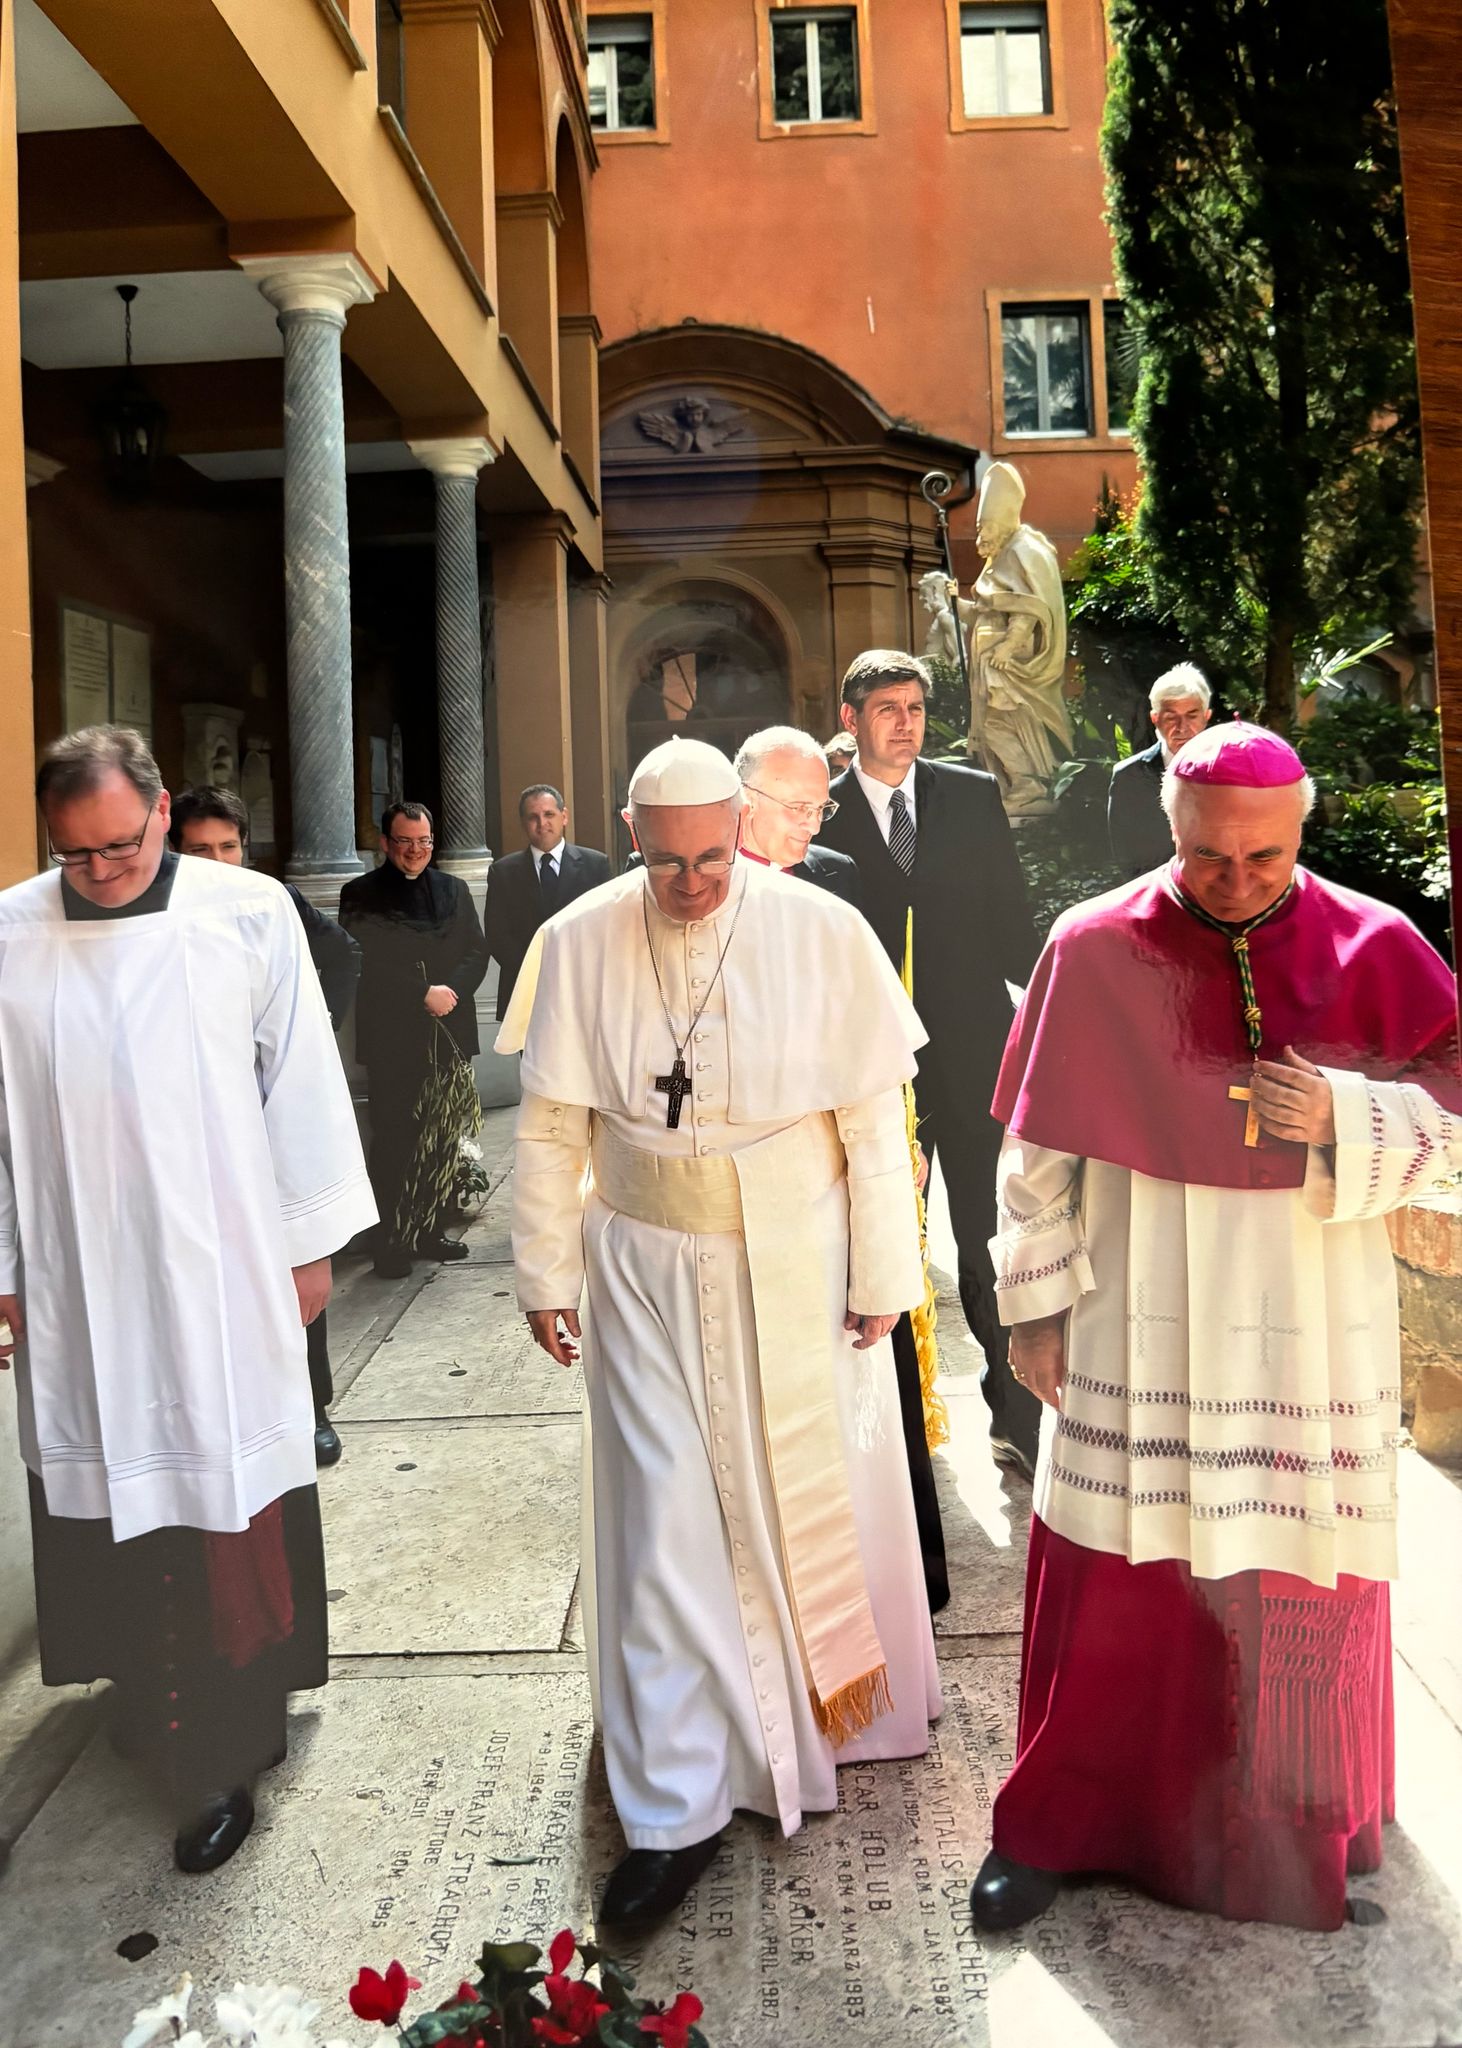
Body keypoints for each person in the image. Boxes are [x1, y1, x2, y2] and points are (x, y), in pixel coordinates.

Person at [970, 721, 1462, 1937]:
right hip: (1136, 1304)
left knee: (1294, 1562)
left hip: (1307, 1302)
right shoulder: (1091, 943)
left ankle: (1310, 1818)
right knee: (1117, 1557)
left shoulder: (1375, 940)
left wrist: (1348, 1109)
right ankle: (1064, 1821)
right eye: (1207, 859)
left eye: (1265, 857)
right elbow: (1036, 1149)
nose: (1235, 882)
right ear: (1169, 830)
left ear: (1302, 831)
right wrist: (1033, 1304)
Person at [499, 735, 942, 1937]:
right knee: (662, 1524)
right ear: (630, 833)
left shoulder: (818, 930)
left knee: (806, 1500)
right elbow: (549, 1125)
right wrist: (541, 1269)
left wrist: (887, 1277)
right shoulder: (580, 934)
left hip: (792, 1262)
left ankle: (826, 1715)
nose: (692, 883)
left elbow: (867, 1116)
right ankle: (674, 1801)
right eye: (666, 862)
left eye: (711, 858)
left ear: (739, 828)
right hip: (639, 1265)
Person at [0, 726, 375, 1873]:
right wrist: (7, 1272)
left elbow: (298, 1077)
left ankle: (224, 1734)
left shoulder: (244, 912)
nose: (102, 871)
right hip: (77, 1273)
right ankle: (142, 1695)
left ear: (161, 811)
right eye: (77, 855)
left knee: (219, 1484)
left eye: (120, 845)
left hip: (217, 1267)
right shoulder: (12, 929)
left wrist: (309, 1245)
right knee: (107, 1479)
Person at [735, 724, 949, 1611]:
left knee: (876, 1352)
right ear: (738, 802)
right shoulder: (702, 889)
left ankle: (904, 1571)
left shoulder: (836, 878)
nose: (811, 824)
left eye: (819, 805)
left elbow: (869, 1020)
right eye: (794, 808)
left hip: (848, 1138)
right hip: (755, 1165)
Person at [820, 651, 1044, 1478]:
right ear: (852, 720)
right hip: (874, 1076)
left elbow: (1014, 923)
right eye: (887, 708)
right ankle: (897, 1434)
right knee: (878, 1246)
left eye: (914, 707)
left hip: (977, 1057)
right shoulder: (824, 815)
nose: (905, 722)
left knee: (991, 1241)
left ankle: (1014, 1414)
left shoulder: (972, 796)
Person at [170, 785, 360, 1468]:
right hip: (192, 1132)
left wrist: (308, 1031)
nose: (218, 861)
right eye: (201, 850)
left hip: (266, 1116)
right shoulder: (161, 915)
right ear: (175, 852)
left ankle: (313, 1410)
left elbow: (341, 956)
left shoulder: (271, 903)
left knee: (293, 1257)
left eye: (228, 847)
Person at [339, 802, 489, 1279]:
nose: (415, 852)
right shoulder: (359, 893)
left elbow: (476, 950)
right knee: (396, 1141)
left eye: (423, 842)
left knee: (441, 1139)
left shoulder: (454, 889)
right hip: (393, 1037)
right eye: (405, 842)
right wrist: (421, 992)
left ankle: (428, 1230)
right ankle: (391, 1240)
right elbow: (367, 959)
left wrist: (452, 993)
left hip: (447, 1034)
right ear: (386, 843)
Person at [484, 785, 611, 1020]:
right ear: (523, 822)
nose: (542, 823)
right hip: (527, 991)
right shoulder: (503, 872)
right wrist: (536, 972)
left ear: (564, 816)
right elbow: (497, 935)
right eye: (533, 817)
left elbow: (605, 928)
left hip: (582, 989)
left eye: (549, 814)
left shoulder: (596, 865)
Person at [733, 725, 861, 905]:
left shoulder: (839, 874)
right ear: (749, 798)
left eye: (821, 808)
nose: (815, 828)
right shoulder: (700, 880)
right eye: (799, 807)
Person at [1108, 661, 1214, 876]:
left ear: (1206, 717)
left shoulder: (1229, 770)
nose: (1182, 727)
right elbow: (1126, 857)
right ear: (1155, 719)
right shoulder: (1129, 777)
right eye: (1171, 717)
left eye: (1192, 715)